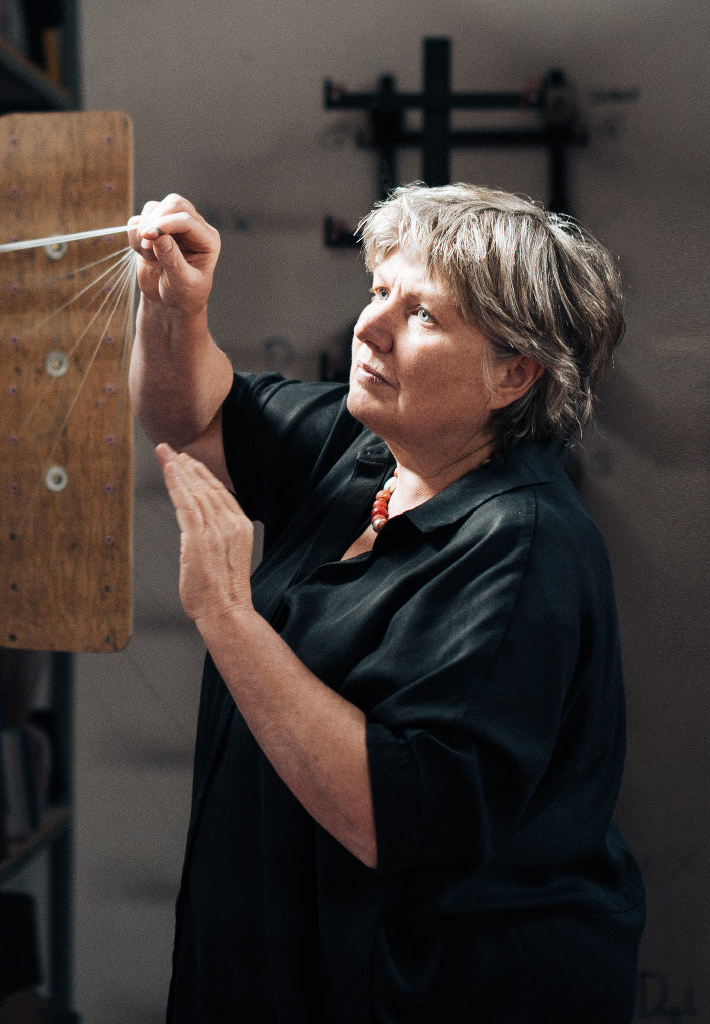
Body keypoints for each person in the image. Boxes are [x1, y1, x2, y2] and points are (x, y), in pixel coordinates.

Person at [126, 184, 645, 1024]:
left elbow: (395, 819)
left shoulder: (526, 546)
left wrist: (229, 617)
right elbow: (189, 421)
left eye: (424, 316)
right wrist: (173, 309)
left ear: (513, 374)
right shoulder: (368, 449)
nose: (369, 327)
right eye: (379, 293)